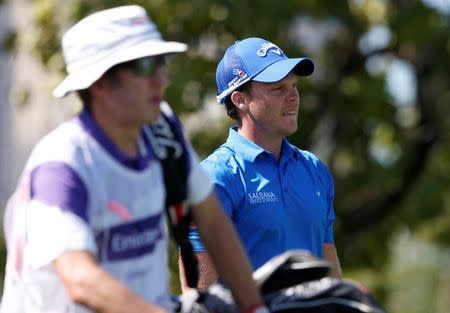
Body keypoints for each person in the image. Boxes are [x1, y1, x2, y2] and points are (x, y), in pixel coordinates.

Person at [0, 6, 267, 313]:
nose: (162, 79)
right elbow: (80, 278)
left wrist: (255, 308)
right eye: (144, 66)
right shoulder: (61, 165)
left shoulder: (161, 128)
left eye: (161, 62)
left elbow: (213, 221)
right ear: (98, 83)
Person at [181, 37, 342, 291]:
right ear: (239, 99)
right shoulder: (214, 177)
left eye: (293, 85)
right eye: (277, 89)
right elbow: (198, 298)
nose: (293, 97)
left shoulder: (314, 170)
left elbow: (331, 276)